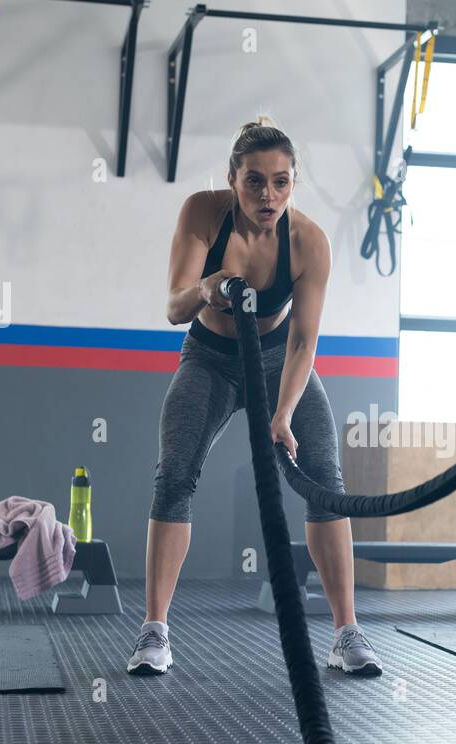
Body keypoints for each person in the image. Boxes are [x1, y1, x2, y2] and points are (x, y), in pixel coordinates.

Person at [127, 116, 383, 678]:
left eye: (281, 182)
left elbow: (304, 340)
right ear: (231, 179)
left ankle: (347, 633)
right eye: (254, 182)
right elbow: (173, 309)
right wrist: (204, 289)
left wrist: (283, 413)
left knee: (325, 479)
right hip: (210, 359)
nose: (268, 196)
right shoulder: (201, 212)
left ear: (294, 183)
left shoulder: (309, 242)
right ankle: (154, 632)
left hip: (277, 361)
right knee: (174, 475)